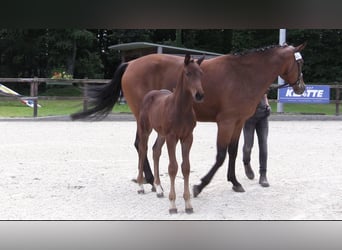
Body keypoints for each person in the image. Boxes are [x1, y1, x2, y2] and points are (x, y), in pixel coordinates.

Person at [242, 93, 271, 187]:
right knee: (248, 146)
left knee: (263, 145)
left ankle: (263, 175)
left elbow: (265, 94)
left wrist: (267, 105)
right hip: (249, 117)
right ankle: (246, 163)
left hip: (263, 115)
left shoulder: (262, 80)